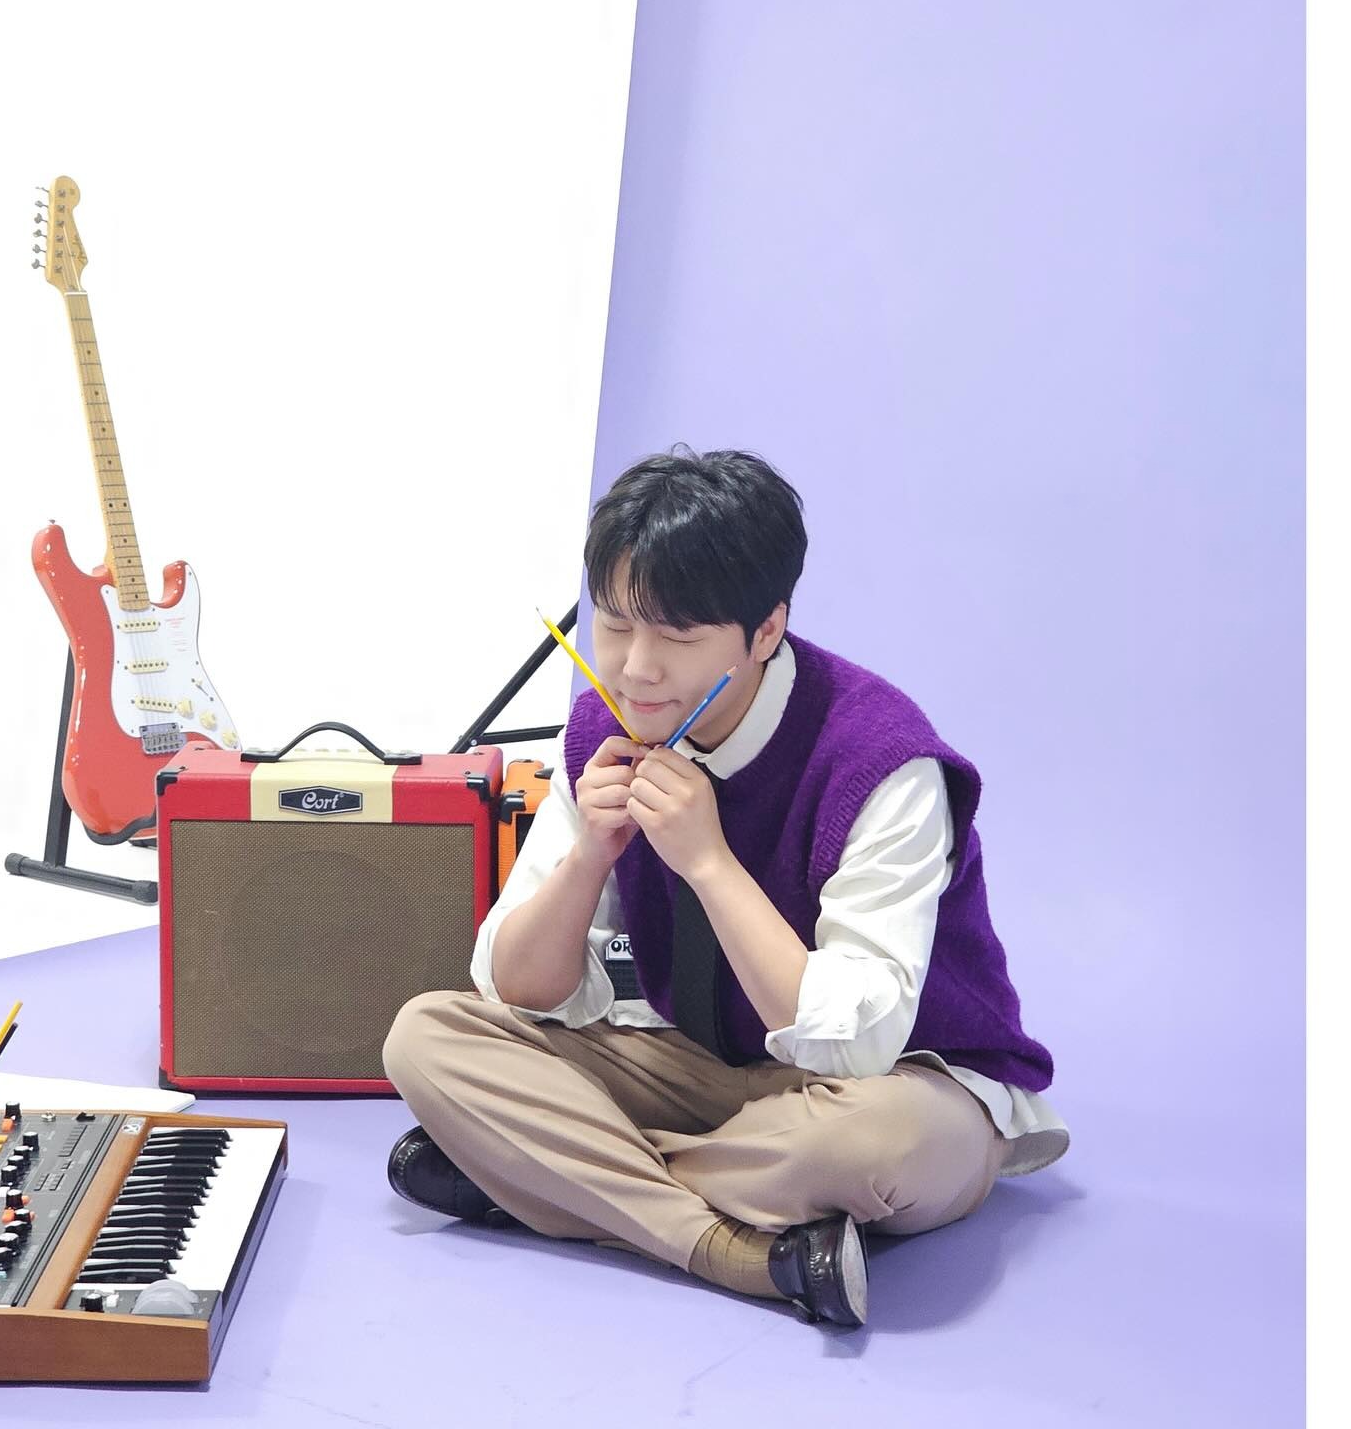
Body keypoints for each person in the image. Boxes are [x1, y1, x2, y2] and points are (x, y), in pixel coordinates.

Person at [383, 448, 1068, 1326]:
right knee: (428, 1036)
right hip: (702, 1068)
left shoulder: (883, 761)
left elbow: (857, 1048)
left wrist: (708, 862)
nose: (635, 669)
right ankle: (737, 1250)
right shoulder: (604, 729)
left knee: (875, 1148)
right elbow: (518, 989)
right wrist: (591, 853)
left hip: (900, 1079)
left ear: (766, 630)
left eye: (677, 637)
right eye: (615, 625)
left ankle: (552, 1176)